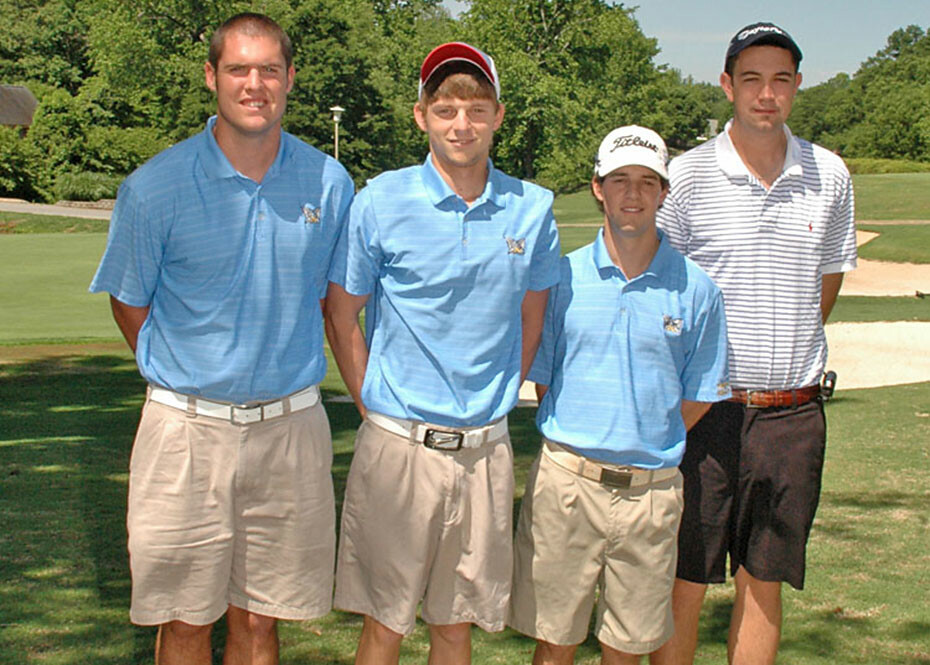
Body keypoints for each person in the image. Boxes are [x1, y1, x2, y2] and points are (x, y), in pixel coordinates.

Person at [89, 13, 354, 665]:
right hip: (184, 435)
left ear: (290, 79)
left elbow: (335, 305)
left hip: (289, 430)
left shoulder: (330, 183)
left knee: (262, 626)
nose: (254, 84)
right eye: (238, 68)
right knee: (183, 621)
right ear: (212, 77)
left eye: (269, 69)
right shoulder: (153, 188)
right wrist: (190, 370)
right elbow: (130, 303)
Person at [324, 42, 561, 665]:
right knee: (385, 625)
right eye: (447, 108)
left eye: (477, 109)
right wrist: (371, 406)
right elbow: (342, 312)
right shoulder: (380, 199)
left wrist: (502, 393)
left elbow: (531, 314)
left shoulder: (531, 209)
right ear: (420, 115)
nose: (462, 124)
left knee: (457, 627)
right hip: (399, 445)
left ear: (498, 116)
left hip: (484, 448)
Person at [650, 22, 858, 665]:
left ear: (797, 86)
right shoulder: (684, 177)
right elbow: (666, 297)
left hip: (792, 412)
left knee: (763, 582)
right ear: (727, 86)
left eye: (780, 80)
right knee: (683, 579)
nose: (766, 94)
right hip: (705, 413)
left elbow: (824, 285)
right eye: (752, 80)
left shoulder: (830, 175)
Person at [508, 125, 731, 665]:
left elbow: (698, 396)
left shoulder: (697, 289)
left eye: (647, 182)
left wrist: (639, 435)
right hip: (567, 484)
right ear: (597, 187)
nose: (633, 194)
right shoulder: (561, 278)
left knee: (626, 649)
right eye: (620, 180)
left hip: (650, 494)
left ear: (664, 192)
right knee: (554, 641)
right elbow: (546, 378)